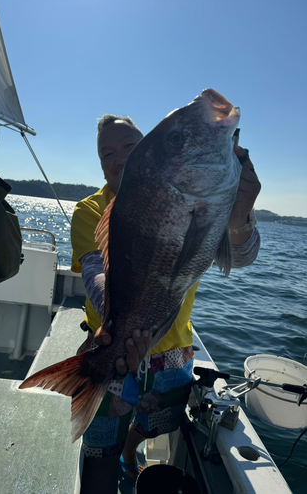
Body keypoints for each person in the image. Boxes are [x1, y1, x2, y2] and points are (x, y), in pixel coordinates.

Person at [71, 115, 261, 494]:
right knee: (99, 452)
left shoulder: (196, 195)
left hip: (172, 351)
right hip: (111, 348)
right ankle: (115, 458)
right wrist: (125, 329)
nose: (118, 158)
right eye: (106, 153)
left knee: (153, 424)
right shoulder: (89, 210)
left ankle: (131, 451)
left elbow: (241, 256)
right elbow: (95, 275)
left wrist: (239, 217)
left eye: (128, 147)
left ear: (147, 153)